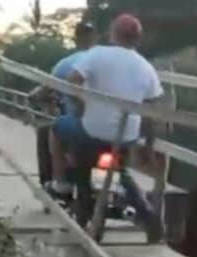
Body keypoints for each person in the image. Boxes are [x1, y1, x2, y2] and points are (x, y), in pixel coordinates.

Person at [58, 13, 164, 241]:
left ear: (112, 34)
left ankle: (69, 193)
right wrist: (148, 147)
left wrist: (79, 106)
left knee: (60, 132)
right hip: (125, 136)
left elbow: (72, 82)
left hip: (92, 130)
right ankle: (149, 217)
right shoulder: (146, 67)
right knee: (120, 169)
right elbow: (152, 114)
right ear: (138, 39)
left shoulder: (97, 54)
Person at [30, 22, 98, 198]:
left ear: (76, 39)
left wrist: (35, 97)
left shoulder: (66, 64)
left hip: (79, 124)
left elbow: (41, 92)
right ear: (95, 38)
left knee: (48, 129)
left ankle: (59, 182)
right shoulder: (106, 61)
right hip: (111, 125)